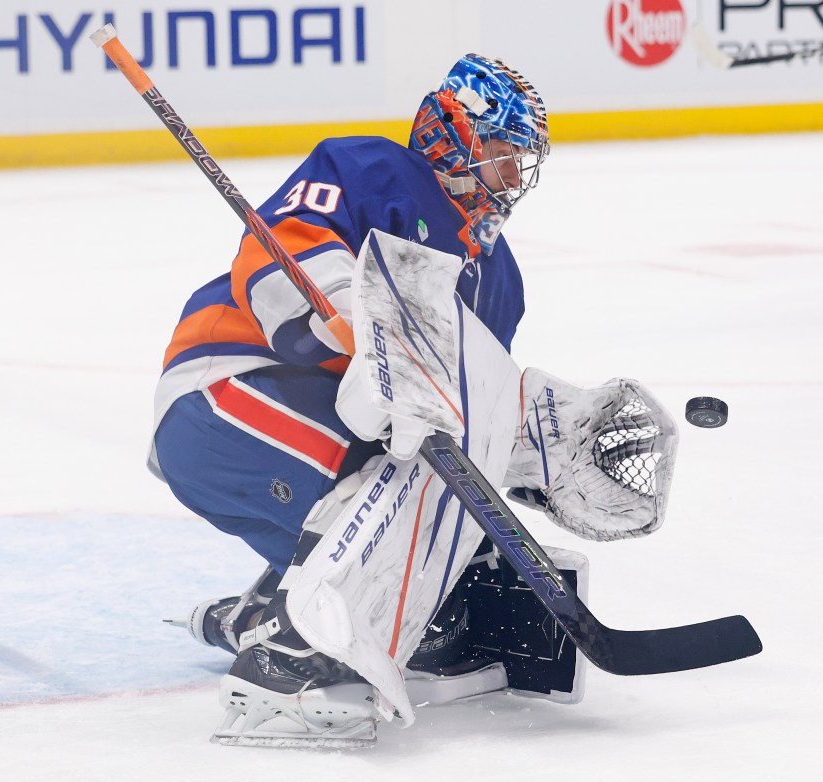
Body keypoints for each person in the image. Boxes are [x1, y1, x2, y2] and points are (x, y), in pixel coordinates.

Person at [150, 53, 680, 747]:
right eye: (503, 154)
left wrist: (539, 448)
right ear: (455, 134)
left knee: (435, 533)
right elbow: (283, 253)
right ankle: (287, 663)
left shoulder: (499, 276)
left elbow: (469, 406)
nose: (515, 177)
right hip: (224, 392)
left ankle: (272, 608)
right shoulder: (373, 171)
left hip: (309, 424)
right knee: (381, 470)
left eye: (523, 160)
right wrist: (351, 315)